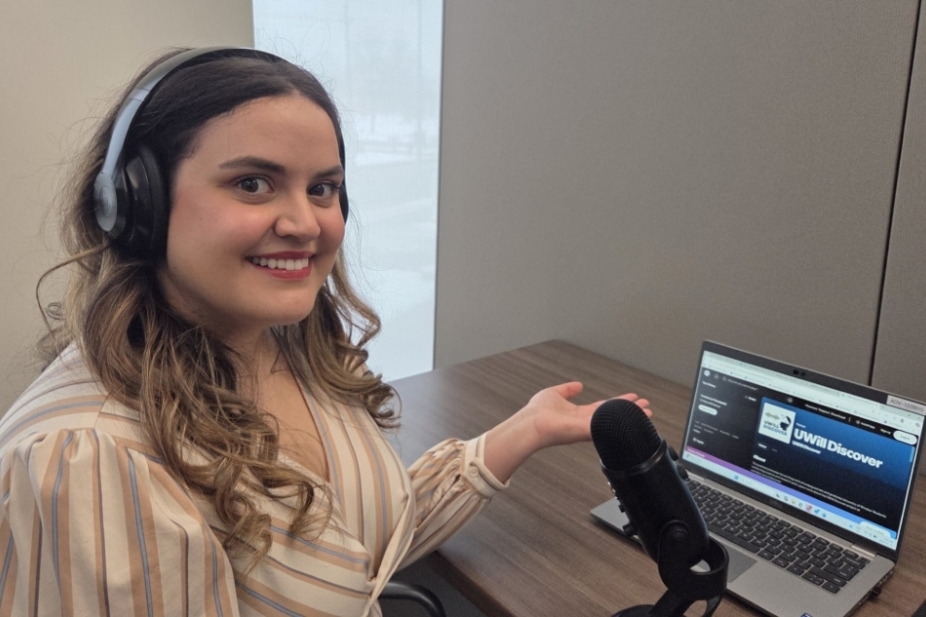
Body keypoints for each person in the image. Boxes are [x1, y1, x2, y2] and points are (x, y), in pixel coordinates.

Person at [0, 47, 651, 616]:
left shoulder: (286, 349)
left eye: (322, 188)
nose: (306, 223)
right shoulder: (92, 461)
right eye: (253, 183)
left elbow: (358, 547)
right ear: (137, 202)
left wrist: (525, 429)